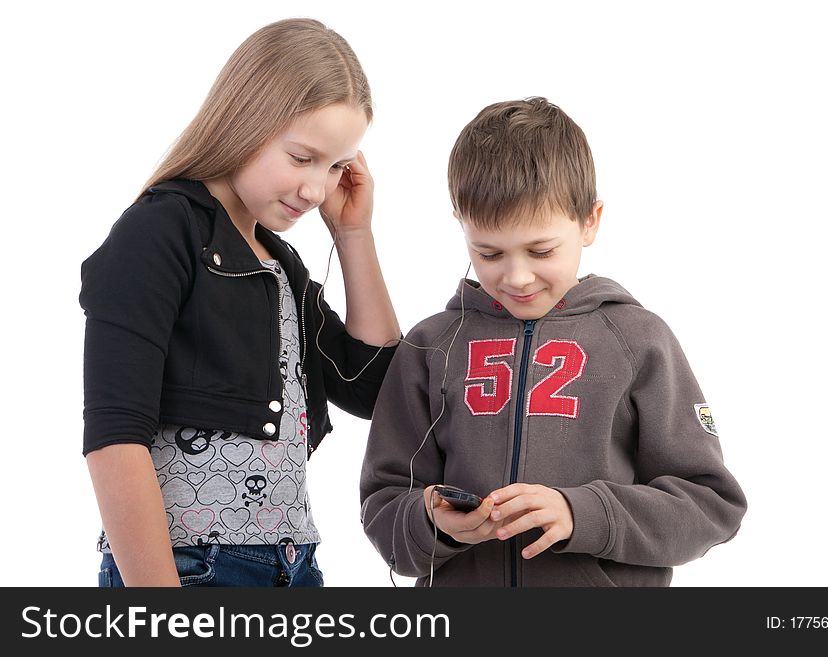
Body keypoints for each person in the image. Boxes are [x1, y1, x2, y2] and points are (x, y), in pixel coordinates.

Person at [359, 97, 746, 586]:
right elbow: (383, 502)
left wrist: (580, 512)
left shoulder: (639, 340)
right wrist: (435, 523)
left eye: (541, 250)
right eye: (489, 252)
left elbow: (711, 505)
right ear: (461, 224)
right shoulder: (430, 346)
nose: (517, 277)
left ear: (590, 221)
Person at [80, 18, 400, 587]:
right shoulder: (159, 233)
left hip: (292, 566)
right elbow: (114, 437)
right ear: (246, 120)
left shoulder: (280, 264)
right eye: (302, 157)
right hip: (189, 571)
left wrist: (354, 235)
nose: (316, 190)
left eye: (334, 166)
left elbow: (376, 389)